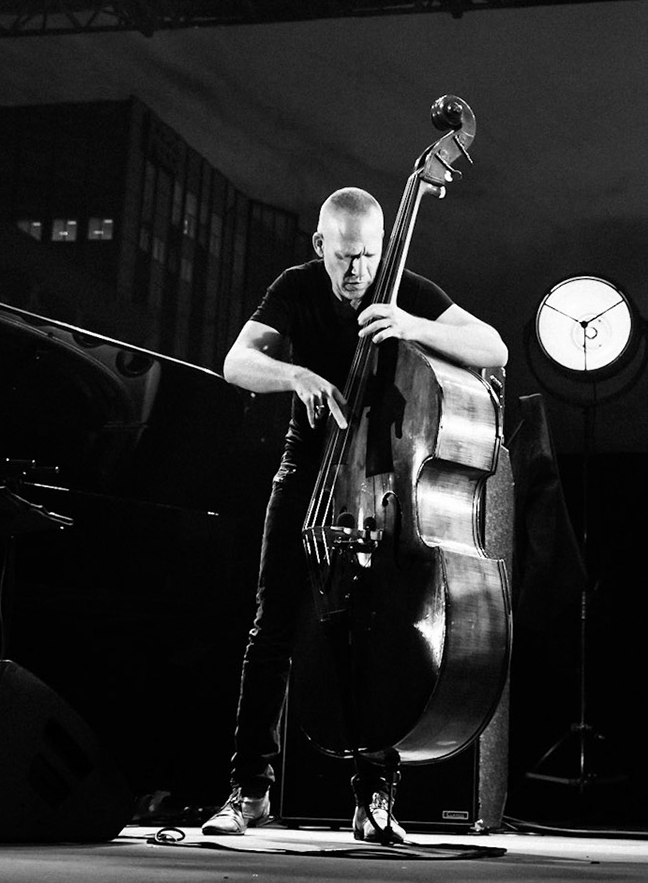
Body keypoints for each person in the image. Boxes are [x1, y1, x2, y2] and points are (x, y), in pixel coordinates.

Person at [202, 187, 508, 844]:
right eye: (343, 256)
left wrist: (413, 326)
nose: (356, 270)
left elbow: (493, 348)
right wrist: (295, 377)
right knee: (272, 628)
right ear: (321, 247)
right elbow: (236, 362)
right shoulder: (296, 287)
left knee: (377, 634)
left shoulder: (405, 291)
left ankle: (374, 799)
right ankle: (248, 790)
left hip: (380, 488)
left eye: (367, 255)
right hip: (306, 476)